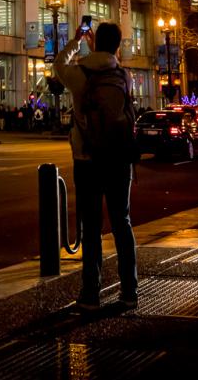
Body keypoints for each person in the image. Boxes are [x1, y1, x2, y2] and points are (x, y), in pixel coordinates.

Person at [56, 20, 138, 310]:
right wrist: (98, 50)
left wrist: (77, 41)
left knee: (90, 227)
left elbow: (58, 64)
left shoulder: (79, 75)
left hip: (87, 159)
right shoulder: (125, 76)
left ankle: (91, 295)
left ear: (93, 40)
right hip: (118, 158)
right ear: (116, 45)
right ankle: (129, 292)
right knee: (122, 223)